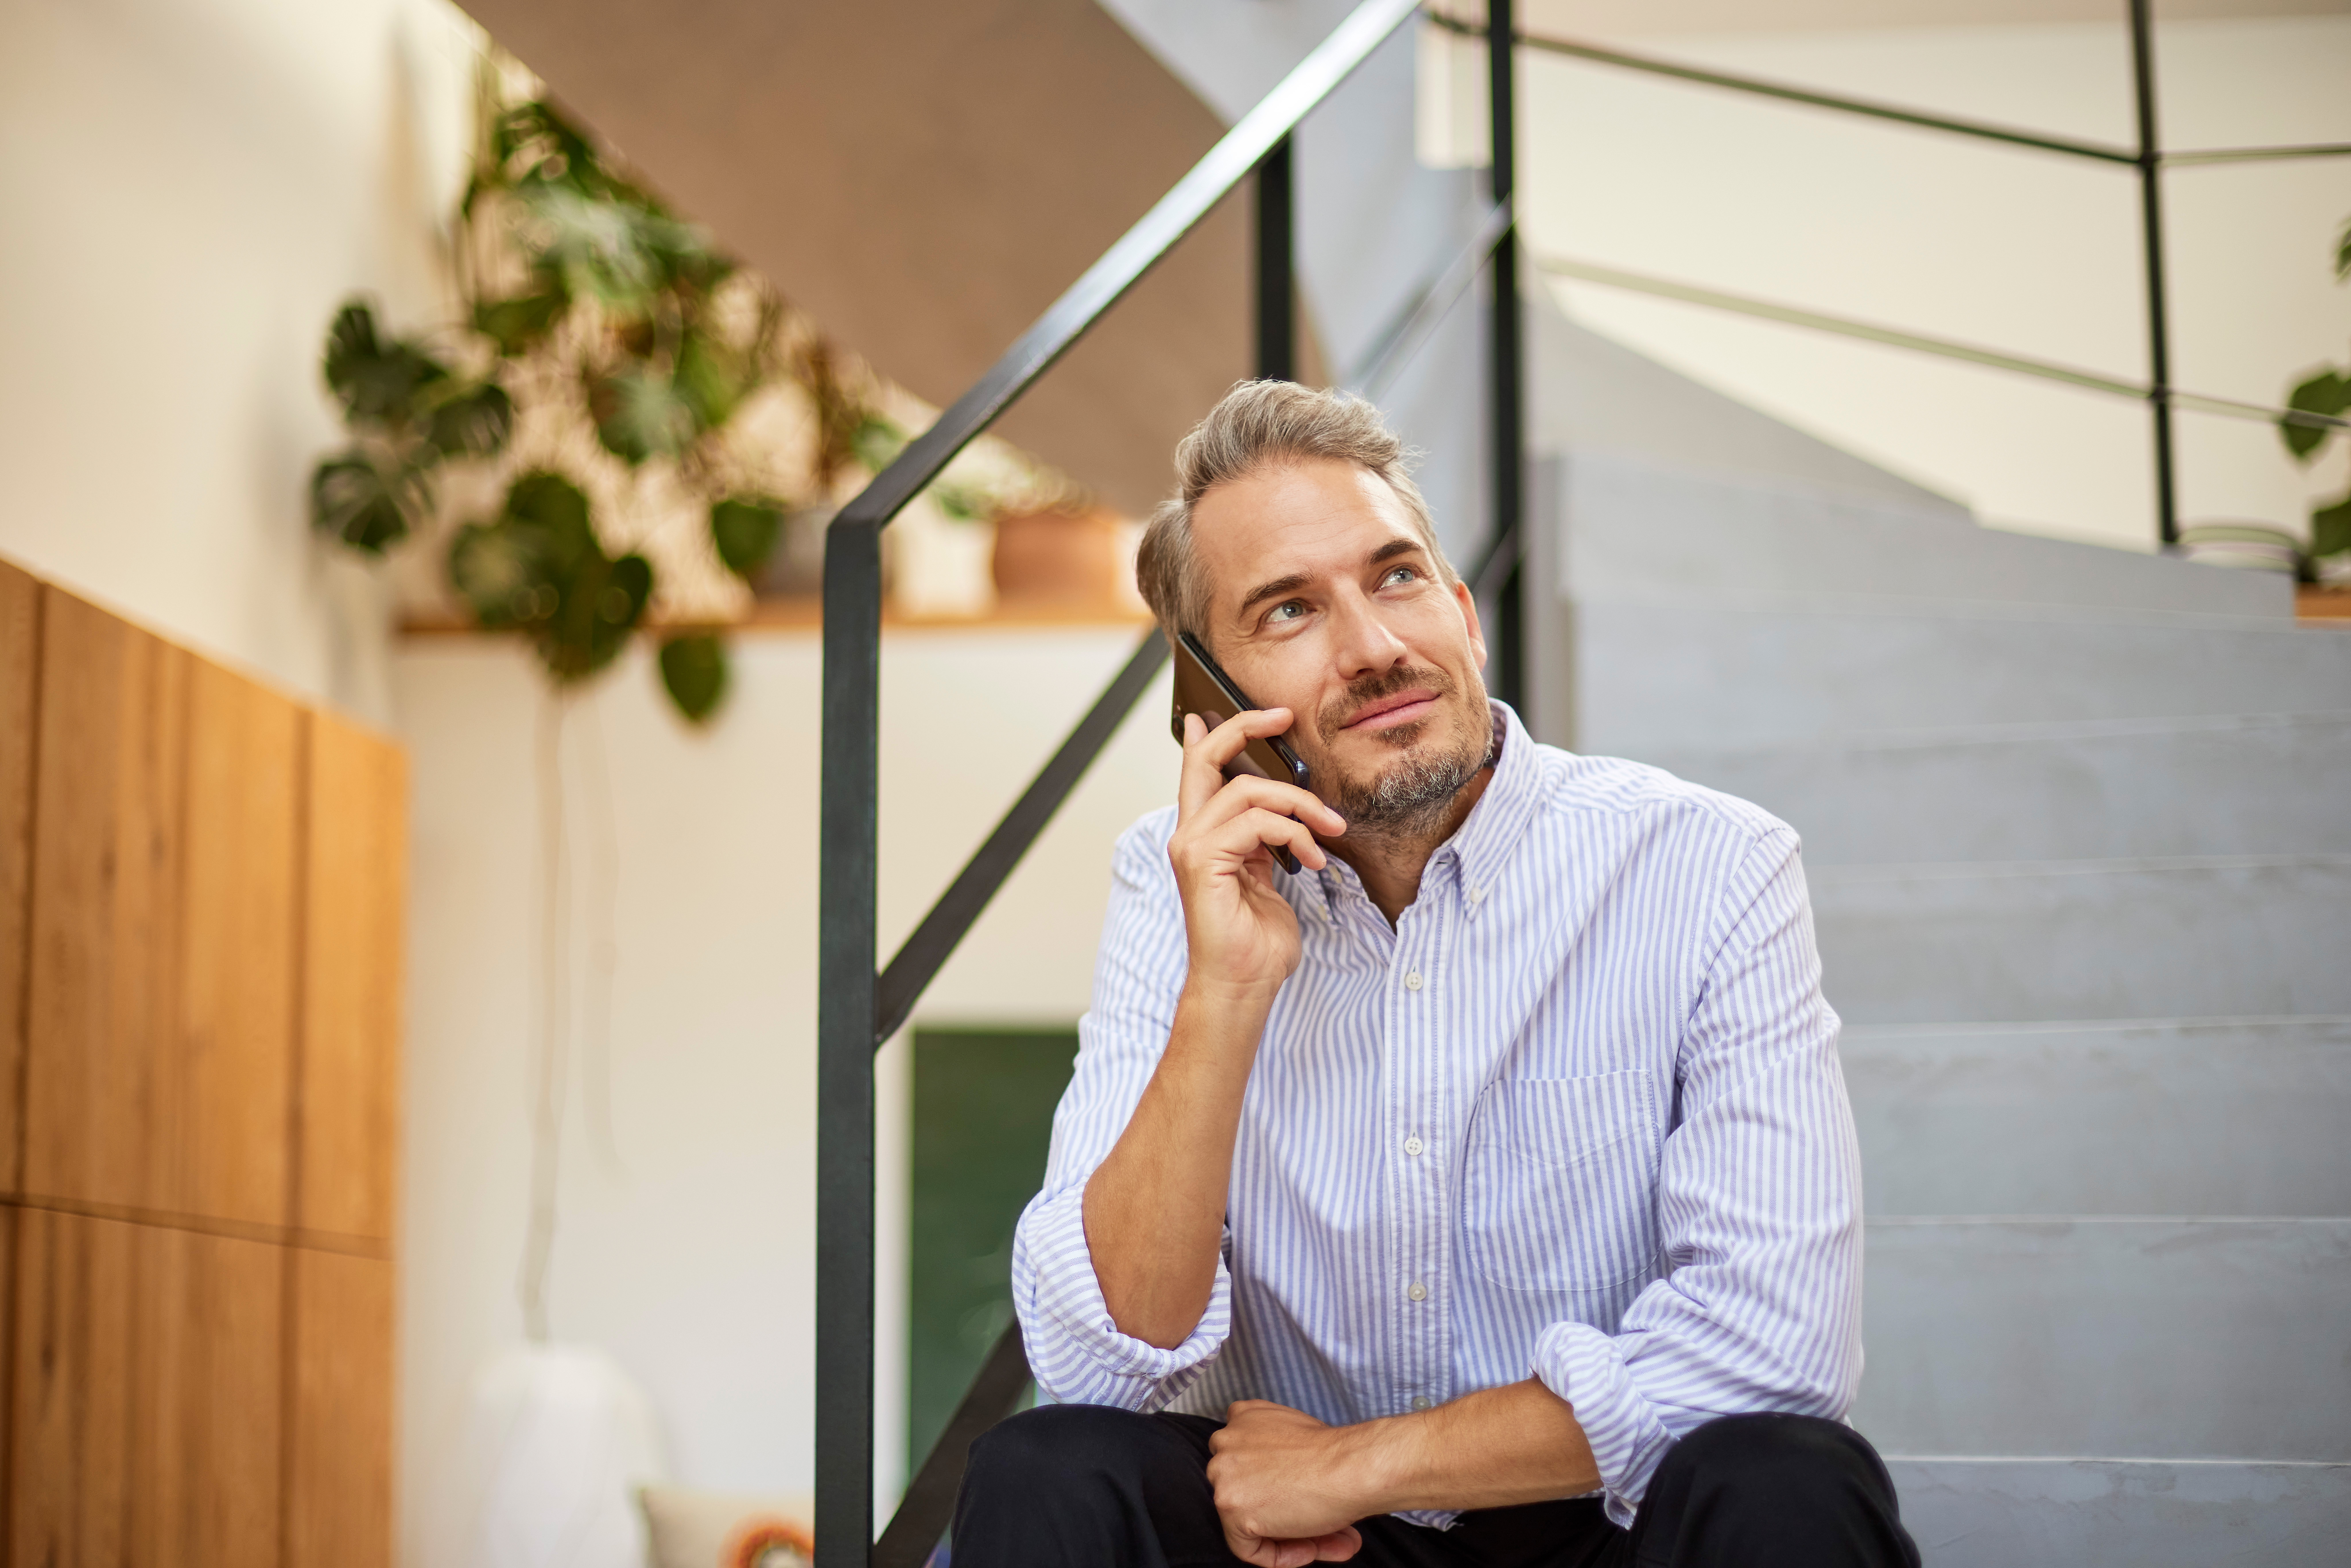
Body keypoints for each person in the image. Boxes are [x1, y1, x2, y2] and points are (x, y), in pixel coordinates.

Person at [949, 382, 1920, 1568]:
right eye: (1289, 609)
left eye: (1396, 577)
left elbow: (1773, 1348)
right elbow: (1094, 1365)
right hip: (1301, 1551)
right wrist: (1225, 992)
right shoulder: (1177, 890)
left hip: (1582, 1524)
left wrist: (1352, 1461)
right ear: (1212, 697)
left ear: (1463, 614)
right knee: (1047, 1472)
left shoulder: (1709, 865)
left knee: (1787, 1481)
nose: (1374, 647)